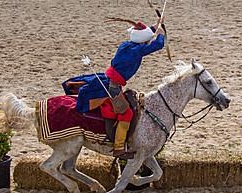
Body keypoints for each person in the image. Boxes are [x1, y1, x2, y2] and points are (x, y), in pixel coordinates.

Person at [62, 20, 165, 159]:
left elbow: (144, 36)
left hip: (108, 79)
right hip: (113, 85)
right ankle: (118, 148)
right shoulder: (137, 51)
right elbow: (158, 45)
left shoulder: (127, 45)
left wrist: (156, 25)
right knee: (126, 113)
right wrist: (161, 35)